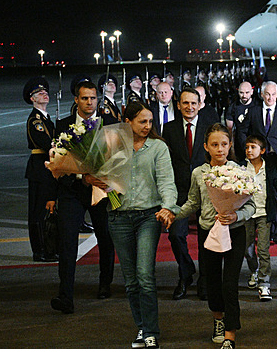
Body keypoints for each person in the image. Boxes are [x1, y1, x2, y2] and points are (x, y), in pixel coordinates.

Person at [170, 123, 256, 349]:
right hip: (208, 232)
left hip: (235, 233)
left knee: (230, 283)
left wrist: (236, 216)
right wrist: (174, 214)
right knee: (212, 282)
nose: (220, 149)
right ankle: (218, 319)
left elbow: (252, 206)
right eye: (215, 145)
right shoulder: (199, 173)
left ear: (230, 146)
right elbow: (193, 202)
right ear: (206, 147)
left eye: (224, 144)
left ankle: (230, 333)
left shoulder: (239, 171)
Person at [104, 101, 179, 349]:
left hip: (149, 216)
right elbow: (99, 179)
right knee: (130, 280)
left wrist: (168, 207)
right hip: (118, 217)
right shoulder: (112, 146)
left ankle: (151, 332)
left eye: (150, 121)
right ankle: (141, 327)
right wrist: (91, 179)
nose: (147, 126)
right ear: (128, 122)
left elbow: (167, 181)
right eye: (142, 121)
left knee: (145, 274)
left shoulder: (158, 147)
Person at [51, 80, 115, 314]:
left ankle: (105, 283)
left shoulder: (110, 124)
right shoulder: (63, 126)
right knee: (67, 242)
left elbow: (120, 159)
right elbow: (56, 164)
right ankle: (65, 295)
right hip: (72, 193)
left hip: (102, 192)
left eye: (93, 98)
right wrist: (81, 179)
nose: (90, 102)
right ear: (76, 100)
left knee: (106, 238)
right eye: (85, 98)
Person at [162, 88, 218, 300]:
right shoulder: (169, 129)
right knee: (176, 235)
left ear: (200, 105)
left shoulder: (209, 128)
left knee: (206, 238)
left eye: (193, 103)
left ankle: (205, 280)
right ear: (178, 105)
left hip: (206, 189)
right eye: (185, 103)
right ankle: (185, 274)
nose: (189, 107)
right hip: (179, 191)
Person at [243, 81, 277, 244]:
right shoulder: (253, 112)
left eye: (273, 94)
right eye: (267, 94)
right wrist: (246, 152)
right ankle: (259, 228)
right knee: (258, 194)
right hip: (258, 159)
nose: (270, 97)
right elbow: (243, 131)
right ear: (261, 94)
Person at [242, 134, 277, 301]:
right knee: (248, 248)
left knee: (264, 250)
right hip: (247, 213)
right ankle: (254, 271)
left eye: (253, 147)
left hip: (265, 212)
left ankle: (264, 284)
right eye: (247, 147)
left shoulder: (269, 167)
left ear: (263, 150)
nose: (249, 150)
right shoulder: (241, 168)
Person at [23, 76, 58, 262]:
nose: (44, 94)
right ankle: (39, 250)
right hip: (39, 167)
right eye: (39, 93)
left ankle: (50, 247)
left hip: (48, 166)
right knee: (38, 211)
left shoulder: (46, 118)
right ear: (32, 99)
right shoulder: (35, 120)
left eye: (45, 92)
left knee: (49, 210)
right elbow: (45, 142)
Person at [226, 81, 259, 161]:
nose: (244, 95)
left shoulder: (258, 105)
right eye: (241, 93)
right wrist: (231, 149)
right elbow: (229, 130)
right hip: (239, 146)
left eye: (247, 92)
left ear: (252, 92)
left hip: (256, 143)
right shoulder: (233, 107)